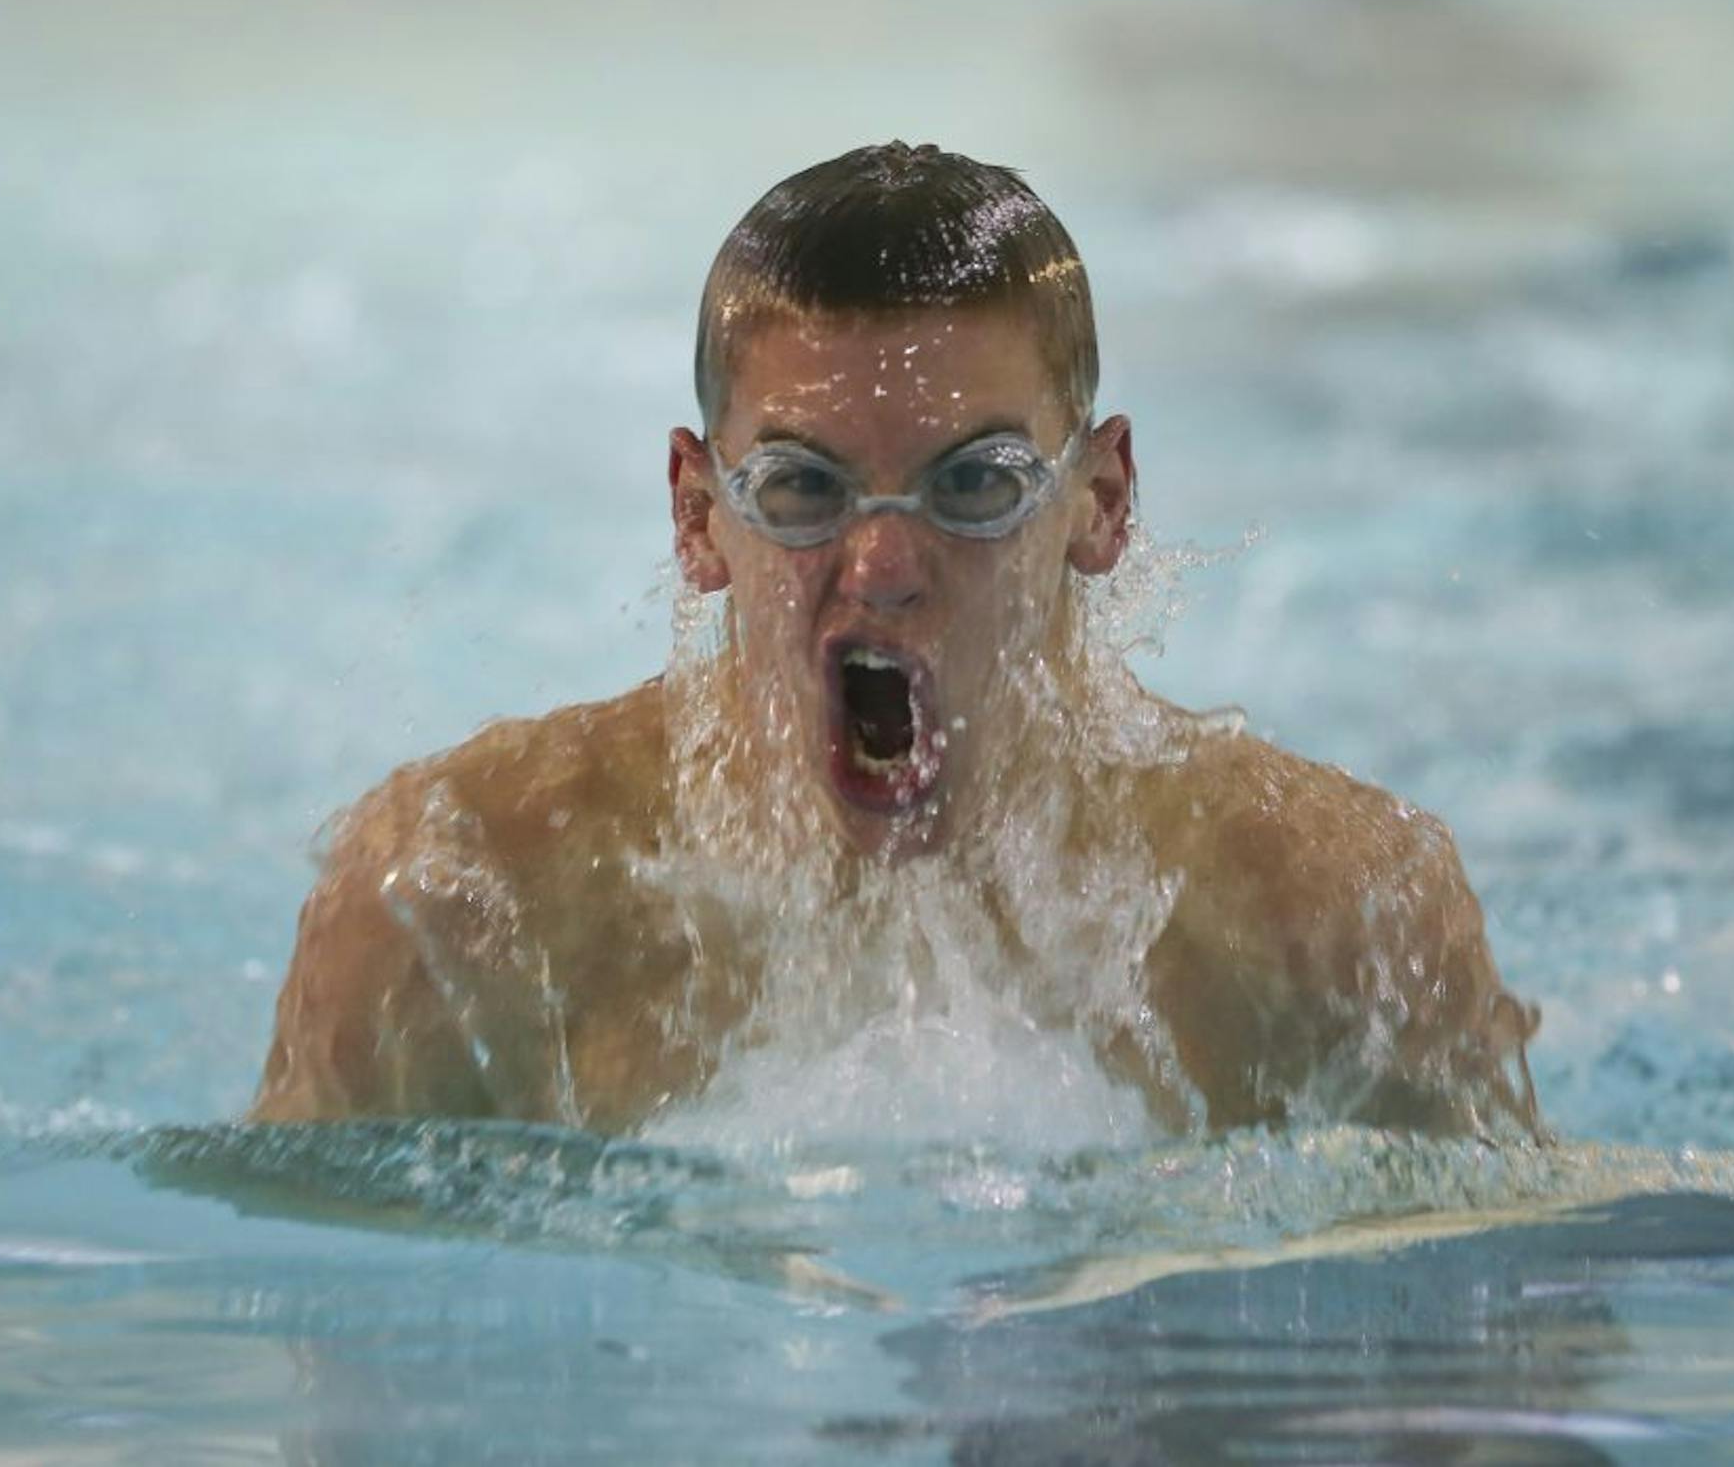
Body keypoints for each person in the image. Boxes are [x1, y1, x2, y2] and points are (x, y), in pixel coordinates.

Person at [251, 142, 1540, 1137]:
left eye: (974, 484)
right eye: (805, 489)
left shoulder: (1338, 922)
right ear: (701, 518)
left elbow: (1503, 1380)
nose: (881, 569)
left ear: (1100, 501)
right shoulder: (458, 912)